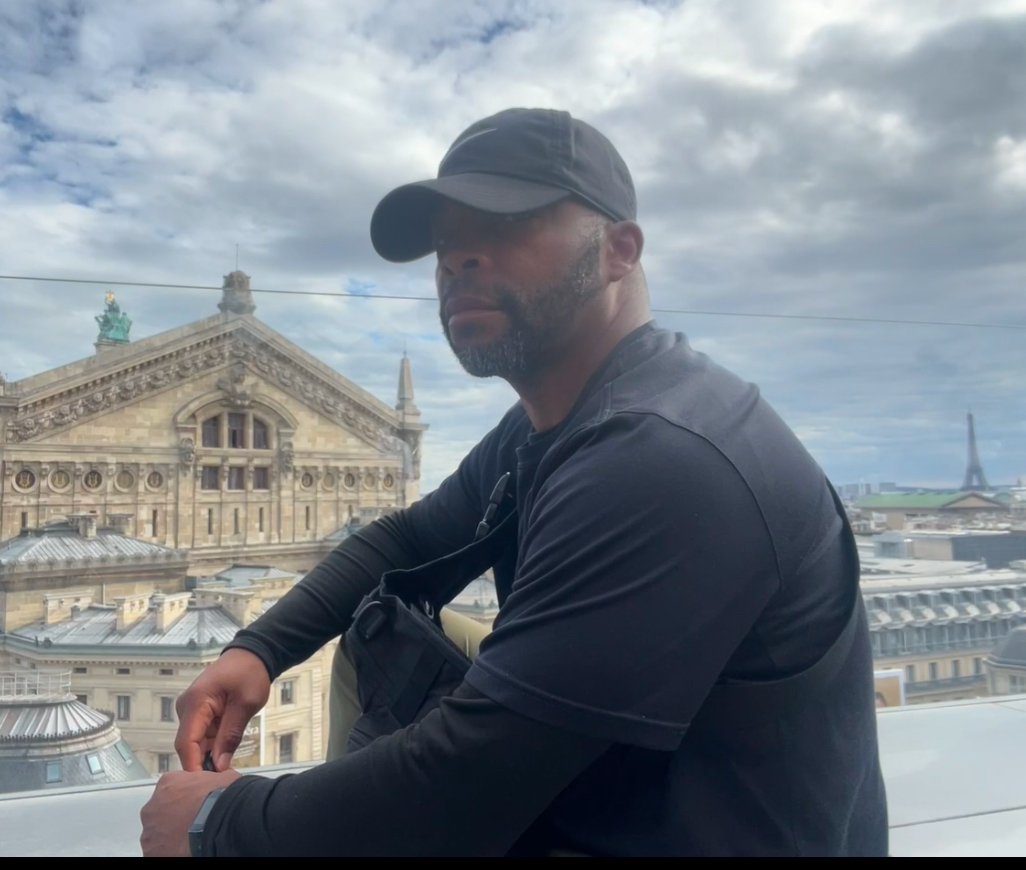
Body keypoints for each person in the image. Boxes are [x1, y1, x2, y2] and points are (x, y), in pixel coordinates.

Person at [140, 108, 889, 857]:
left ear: (618, 251)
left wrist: (218, 824)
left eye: (504, 227)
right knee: (378, 631)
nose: (460, 260)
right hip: (632, 805)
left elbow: (471, 772)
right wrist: (259, 649)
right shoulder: (560, 423)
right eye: (446, 244)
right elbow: (407, 541)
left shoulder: (664, 460)